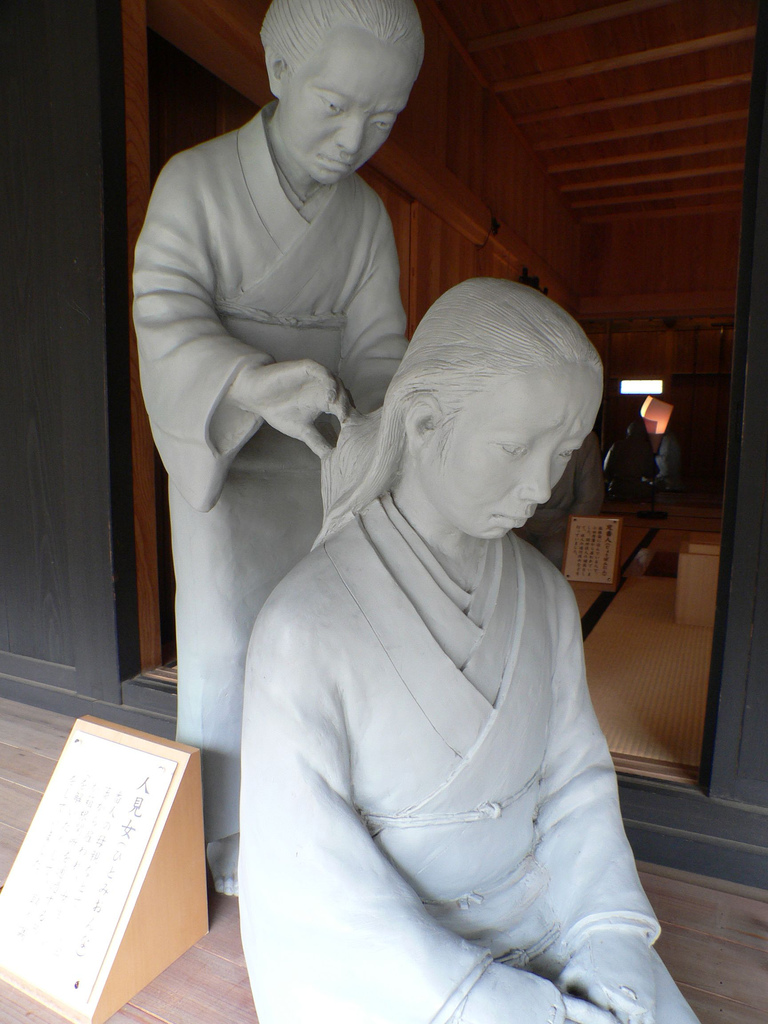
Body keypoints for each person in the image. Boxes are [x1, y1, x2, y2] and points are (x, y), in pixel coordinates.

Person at [239, 279, 700, 1024]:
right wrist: (493, 1004)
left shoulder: (543, 596)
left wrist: (608, 933)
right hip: (403, 973)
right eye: (517, 448)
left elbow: (576, 781)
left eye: (561, 453)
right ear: (423, 422)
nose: (542, 485)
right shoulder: (303, 627)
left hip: (546, 916)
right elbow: (312, 888)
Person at [133, 0, 424, 893]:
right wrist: (253, 383)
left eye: (380, 120)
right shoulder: (195, 181)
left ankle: (317, 814)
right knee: (224, 639)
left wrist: (377, 432)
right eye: (335, 104)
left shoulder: (366, 218)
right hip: (226, 454)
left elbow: (379, 350)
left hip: (327, 461)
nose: (352, 139)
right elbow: (165, 308)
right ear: (280, 70)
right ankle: (223, 836)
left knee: (332, 635)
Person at [516, 431, 604, 568]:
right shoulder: (520, 431)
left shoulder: (584, 438)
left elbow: (590, 496)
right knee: (511, 553)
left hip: (562, 520)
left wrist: (571, 523)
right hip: (519, 518)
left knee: (558, 552)